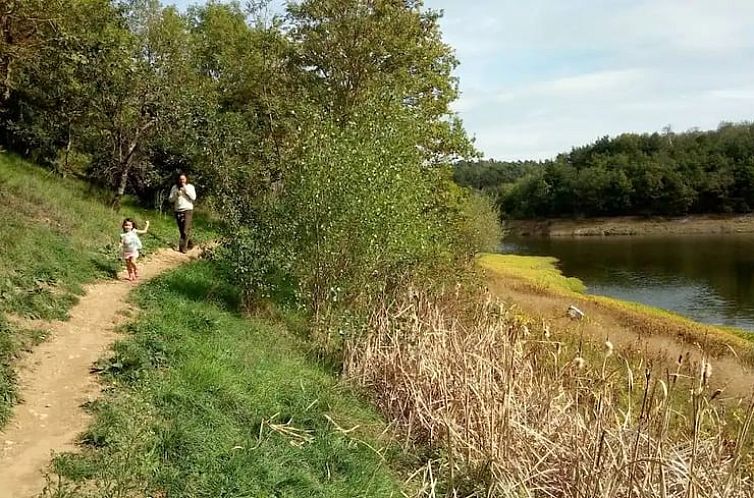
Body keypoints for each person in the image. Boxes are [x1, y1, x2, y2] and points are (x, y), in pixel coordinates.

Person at [168, 173, 197, 253]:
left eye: (183, 179)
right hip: (178, 210)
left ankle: (183, 249)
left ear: (186, 179)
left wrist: (186, 191)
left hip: (188, 210)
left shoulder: (190, 187)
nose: (182, 181)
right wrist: (176, 195)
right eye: (180, 179)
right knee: (182, 230)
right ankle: (190, 243)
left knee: (185, 230)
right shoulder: (174, 187)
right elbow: (170, 199)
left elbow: (193, 198)